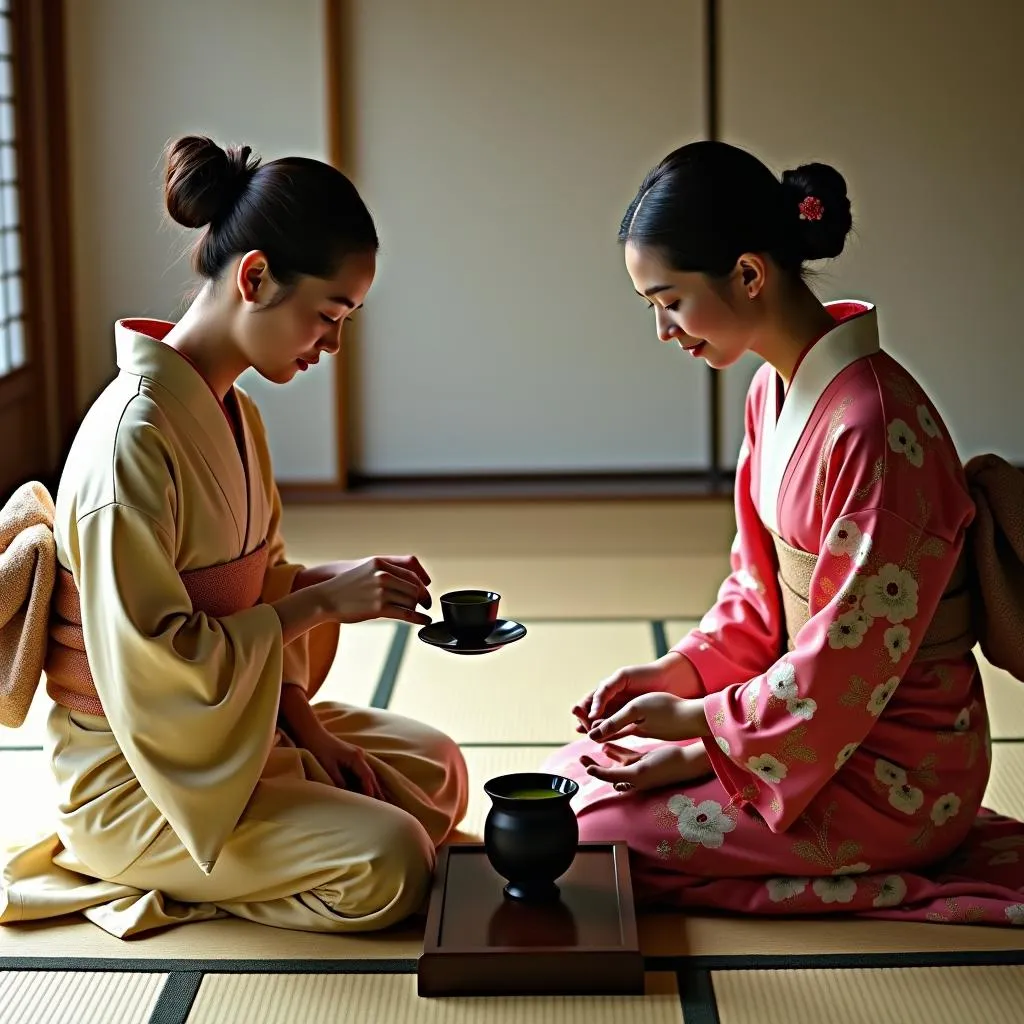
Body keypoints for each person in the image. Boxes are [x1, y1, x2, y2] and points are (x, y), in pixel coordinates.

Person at [545, 141, 1024, 925]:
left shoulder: (873, 426)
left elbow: (846, 661)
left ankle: (890, 866)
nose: (665, 331)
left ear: (748, 274)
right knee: (578, 779)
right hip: (806, 733)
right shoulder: (775, 392)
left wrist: (700, 730)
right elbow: (754, 591)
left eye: (669, 301)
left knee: (585, 833)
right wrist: (678, 675)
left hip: (894, 767)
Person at [0, 136, 467, 938]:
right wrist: (321, 603)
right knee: (395, 863)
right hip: (140, 775)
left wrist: (308, 722)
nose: (332, 344)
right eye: (327, 316)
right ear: (254, 278)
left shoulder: (234, 412)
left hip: (232, 733)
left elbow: (262, 582)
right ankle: (156, 872)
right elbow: (158, 664)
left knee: (435, 766)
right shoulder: (131, 443)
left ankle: (278, 819)